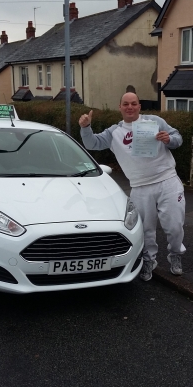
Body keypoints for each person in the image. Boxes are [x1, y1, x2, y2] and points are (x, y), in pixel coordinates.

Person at [79, 92, 185, 281]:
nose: (130, 107)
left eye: (133, 104)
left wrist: (169, 139)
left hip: (167, 180)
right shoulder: (113, 132)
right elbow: (91, 143)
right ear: (120, 107)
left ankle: (175, 255)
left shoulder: (154, 121)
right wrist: (86, 127)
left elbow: (177, 137)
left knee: (175, 225)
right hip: (140, 187)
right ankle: (148, 261)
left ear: (139, 106)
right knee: (145, 230)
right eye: (126, 104)